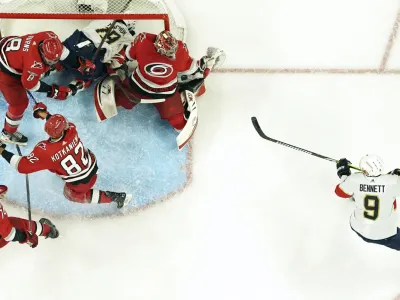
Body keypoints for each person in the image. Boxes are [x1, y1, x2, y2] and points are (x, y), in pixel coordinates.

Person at [0, 103, 132, 208]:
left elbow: (22, 167)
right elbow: (60, 125)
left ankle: (114, 197)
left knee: (70, 195)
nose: (67, 123)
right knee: (59, 162)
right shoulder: (72, 130)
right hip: (91, 165)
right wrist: (44, 114)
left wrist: (3, 151)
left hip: (79, 184)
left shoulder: (45, 150)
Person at [0, 30, 95, 146]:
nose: (53, 62)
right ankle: (8, 133)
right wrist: (53, 91)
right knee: (19, 104)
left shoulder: (50, 37)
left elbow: (64, 53)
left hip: (6, 46)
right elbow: (30, 85)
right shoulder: (34, 64)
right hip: (4, 69)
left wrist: (79, 64)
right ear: (42, 52)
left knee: (39, 69)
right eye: (51, 60)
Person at [335, 154, 400, 251]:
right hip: (385, 235)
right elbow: (387, 184)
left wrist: (344, 175)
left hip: (359, 228)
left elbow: (339, 192)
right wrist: (395, 175)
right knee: (388, 197)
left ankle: (356, 196)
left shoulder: (354, 179)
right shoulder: (393, 182)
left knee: (358, 192)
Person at [59, 19, 136, 89]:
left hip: (76, 41)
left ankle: (57, 64)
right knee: (97, 73)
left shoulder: (106, 18)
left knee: (64, 50)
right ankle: (73, 88)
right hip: (92, 55)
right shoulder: (128, 36)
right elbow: (128, 53)